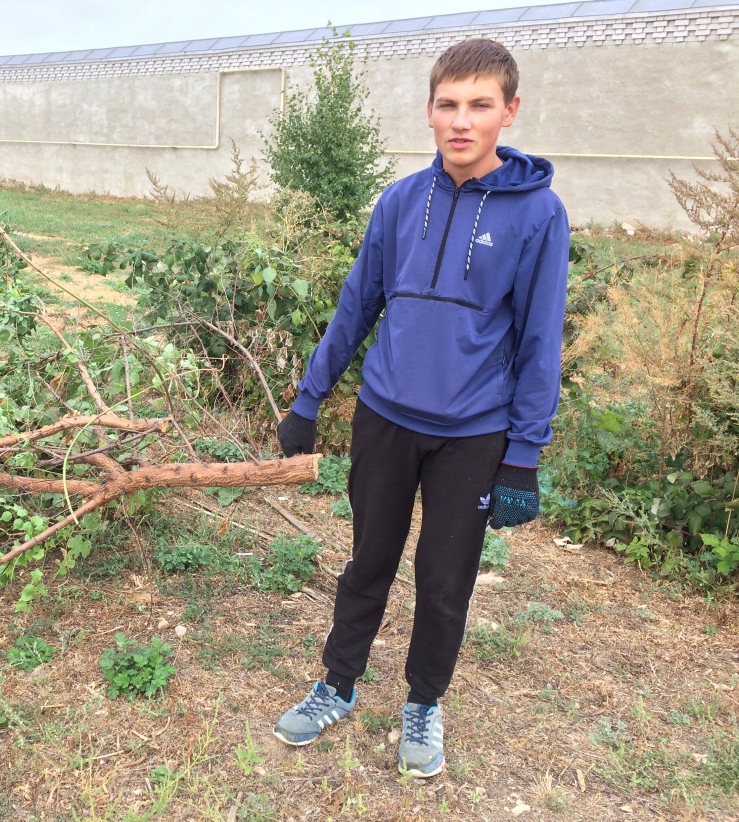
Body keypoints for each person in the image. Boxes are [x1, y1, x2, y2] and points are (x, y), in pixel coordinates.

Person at [271, 37, 570, 779]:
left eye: (479, 105)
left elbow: (539, 342)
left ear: (510, 111)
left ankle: (424, 704)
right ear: (430, 112)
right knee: (366, 561)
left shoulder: (538, 215)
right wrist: (310, 398)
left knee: (444, 581)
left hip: (472, 436)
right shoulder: (402, 202)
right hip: (385, 418)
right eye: (447, 105)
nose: (461, 121)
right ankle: (336, 686)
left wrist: (524, 456)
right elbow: (356, 306)